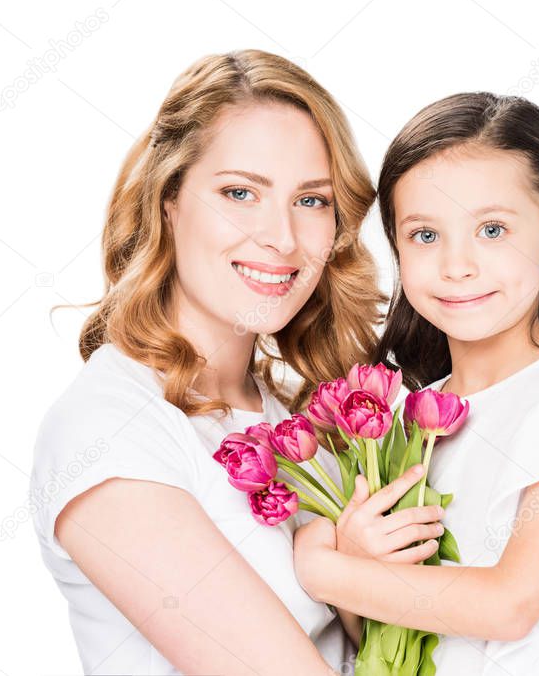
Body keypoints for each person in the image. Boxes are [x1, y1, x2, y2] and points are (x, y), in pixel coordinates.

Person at [30, 49, 443, 675]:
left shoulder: (293, 417)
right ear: (168, 201)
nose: (281, 237)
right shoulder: (108, 427)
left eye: (312, 200)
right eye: (240, 192)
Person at [293, 91, 539, 674]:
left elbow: (512, 605)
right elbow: (383, 639)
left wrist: (322, 566)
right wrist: (355, 560)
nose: (458, 265)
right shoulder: (400, 423)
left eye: (493, 230)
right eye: (425, 235)